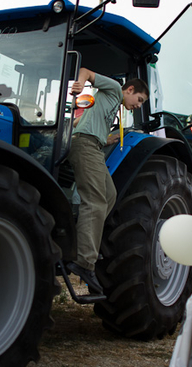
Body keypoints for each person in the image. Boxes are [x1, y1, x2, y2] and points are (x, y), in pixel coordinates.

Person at [65, 67, 149, 294]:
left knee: (110, 195)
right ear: (129, 89)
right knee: (95, 201)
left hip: (94, 144)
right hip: (85, 145)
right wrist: (80, 84)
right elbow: (85, 72)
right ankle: (84, 263)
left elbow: (91, 122)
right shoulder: (113, 88)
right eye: (139, 100)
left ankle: (85, 241)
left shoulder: (113, 106)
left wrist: (106, 138)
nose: (138, 105)